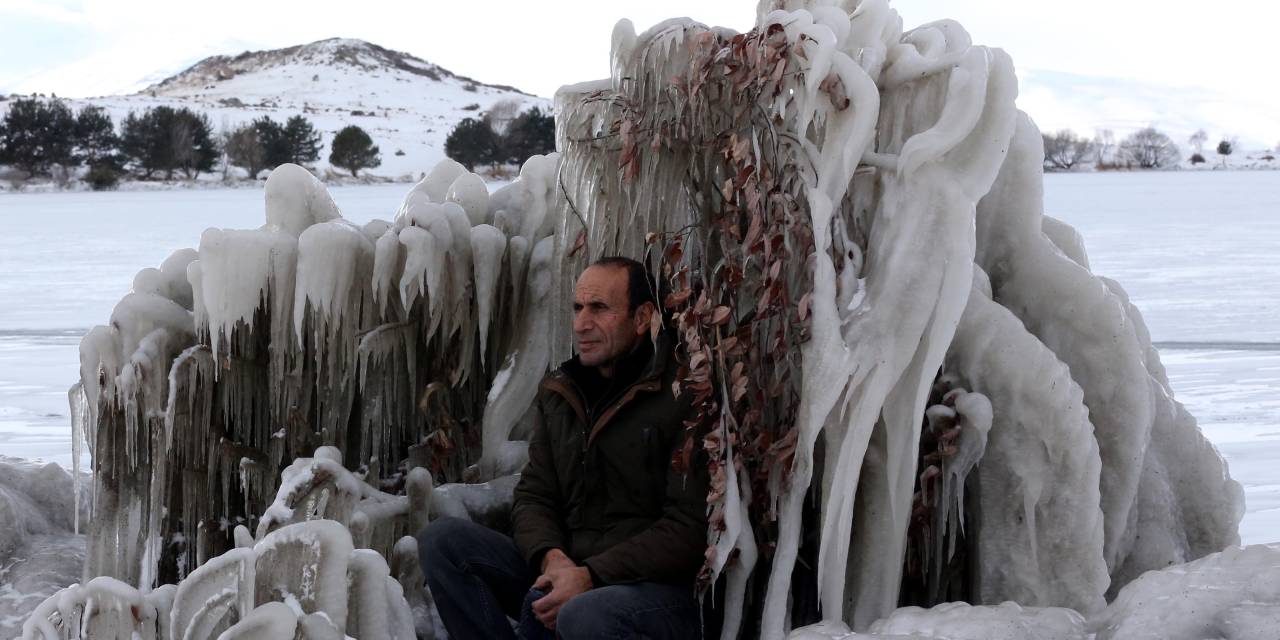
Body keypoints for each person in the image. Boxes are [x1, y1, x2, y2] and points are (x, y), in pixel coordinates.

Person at [417, 256, 710, 640]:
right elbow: (534, 496)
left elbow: (687, 530)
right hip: (568, 569)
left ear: (642, 318)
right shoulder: (560, 394)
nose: (581, 324)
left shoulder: (683, 393)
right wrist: (552, 559)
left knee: (584, 615)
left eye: (599, 308)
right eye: (577, 308)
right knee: (443, 541)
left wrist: (591, 576)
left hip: (654, 592)